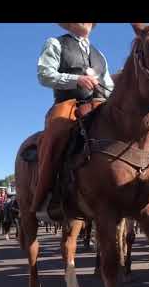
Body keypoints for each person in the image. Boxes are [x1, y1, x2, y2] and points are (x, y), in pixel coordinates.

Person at [30, 23, 114, 215]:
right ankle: (45, 198)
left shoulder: (100, 55)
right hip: (68, 105)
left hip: (99, 105)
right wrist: (75, 80)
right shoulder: (56, 43)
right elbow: (44, 75)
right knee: (55, 135)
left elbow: (109, 87)